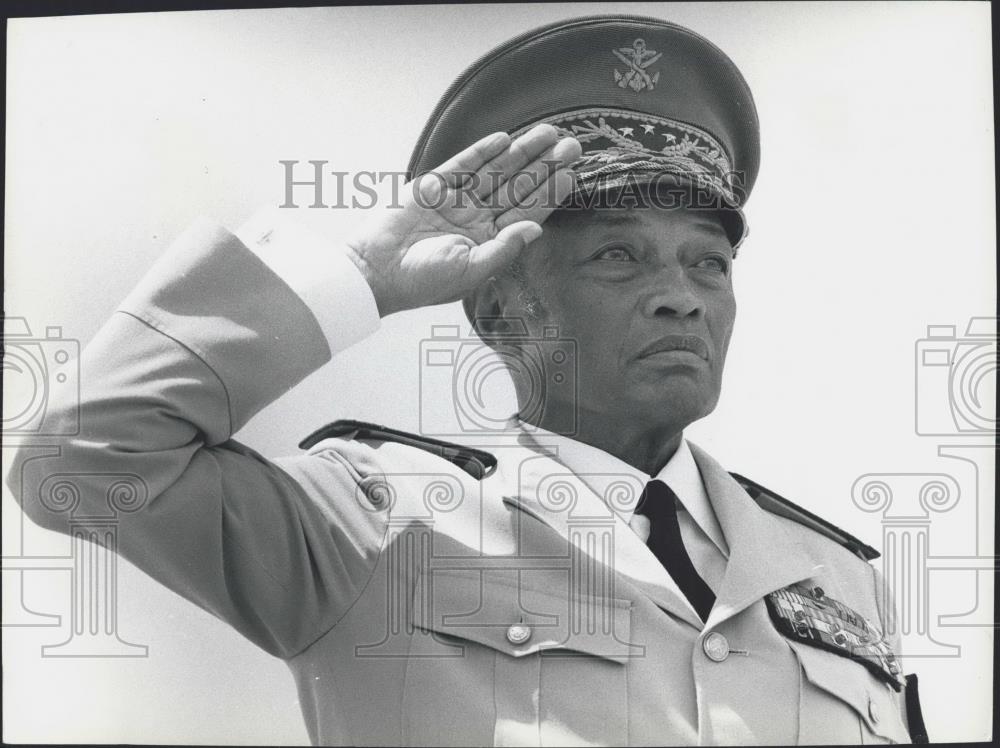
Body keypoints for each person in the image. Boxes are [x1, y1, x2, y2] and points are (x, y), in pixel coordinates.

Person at [7, 14, 927, 746]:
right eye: (618, 257)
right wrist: (363, 275)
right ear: (498, 313)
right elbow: (77, 462)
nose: (680, 299)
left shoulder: (839, 578)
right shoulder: (365, 522)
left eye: (708, 265)